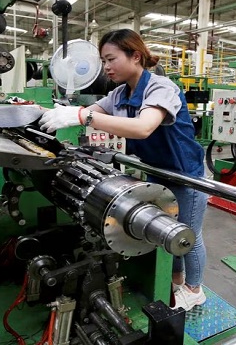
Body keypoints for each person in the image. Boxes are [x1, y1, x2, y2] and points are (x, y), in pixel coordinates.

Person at [39, 29, 208, 311]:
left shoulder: (161, 87)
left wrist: (83, 116)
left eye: (111, 59)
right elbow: (92, 111)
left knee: (188, 234)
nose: (105, 67)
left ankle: (196, 288)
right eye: (103, 61)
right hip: (158, 173)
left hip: (184, 175)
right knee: (168, 232)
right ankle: (177, 280)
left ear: (136, 56)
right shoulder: (118, 93)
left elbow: (143, 127)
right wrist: (55, 112)